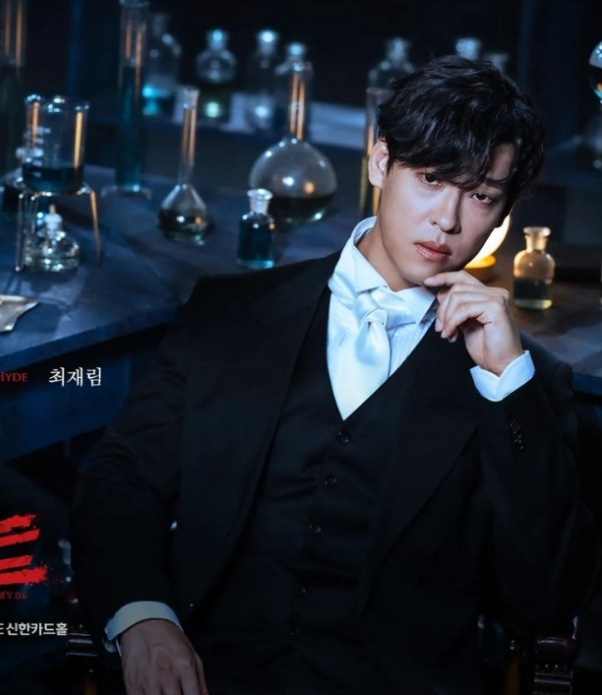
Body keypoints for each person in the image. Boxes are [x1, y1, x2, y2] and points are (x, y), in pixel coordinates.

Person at [69, 56, 601, 695]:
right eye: (431, 179)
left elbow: (549, 594)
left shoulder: (520, 382)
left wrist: (506, 384)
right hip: (210, 675)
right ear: (380, 162)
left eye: (481, 196)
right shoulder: (230, 313)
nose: (449, 220)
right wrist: (143, 619)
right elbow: (122, 479)